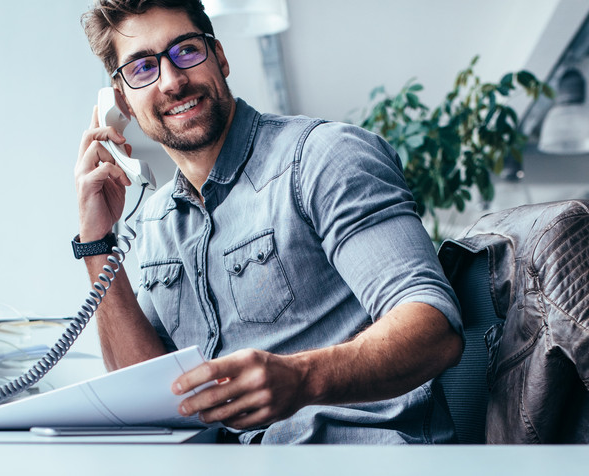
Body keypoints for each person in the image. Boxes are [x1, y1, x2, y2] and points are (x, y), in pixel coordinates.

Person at [74, 0, 463, 444]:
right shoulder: (155, 223)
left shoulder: (323, 157)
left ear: (219, 56)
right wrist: (97, 241)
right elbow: (146, 393)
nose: (173, 80)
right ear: (121, 100)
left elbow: (434, 327)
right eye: (143, 68)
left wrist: (302, 379)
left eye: (186, 51)